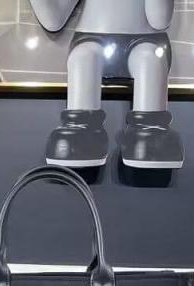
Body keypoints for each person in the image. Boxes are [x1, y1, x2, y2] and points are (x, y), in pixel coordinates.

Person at [29, 0, 183, 169]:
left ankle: (152, 131)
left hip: (146, 40)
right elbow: (53, 19)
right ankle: (80, 130)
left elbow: (160, 20)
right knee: (83, 59)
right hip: (92, 38)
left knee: (150, 61)